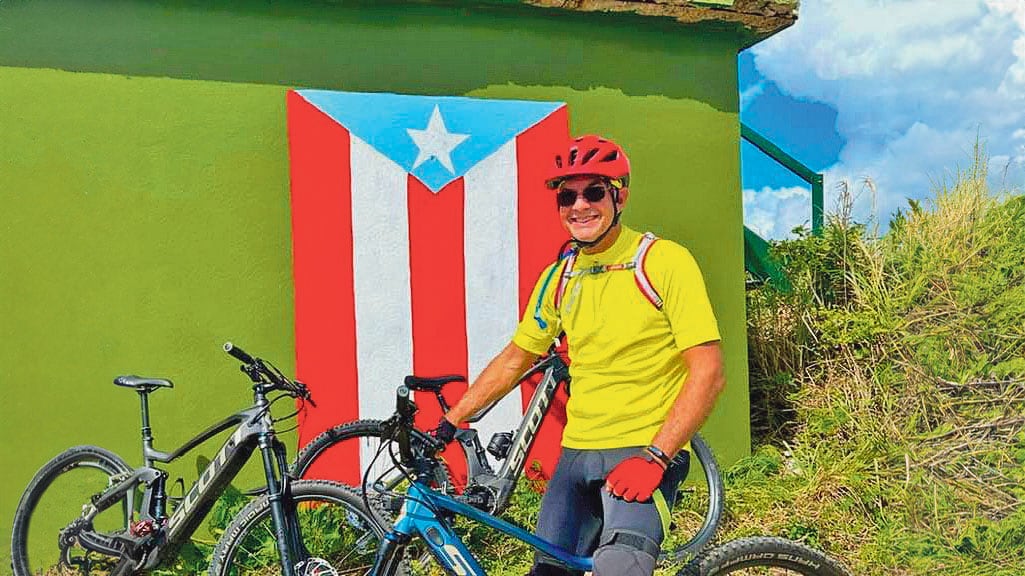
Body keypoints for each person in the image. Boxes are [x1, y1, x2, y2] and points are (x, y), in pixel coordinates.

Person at [433, 135, 725, 576]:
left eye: (594, 192)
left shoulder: (663, 262)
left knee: (619, 568)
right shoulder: (561, 276)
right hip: (577, 454)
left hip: (643, 449)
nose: (580, 206)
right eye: (567, 196)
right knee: (548, 572)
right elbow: (516, 358)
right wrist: (450, 422)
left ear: (619, 195)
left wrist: (656, 458)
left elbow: (708, 373)